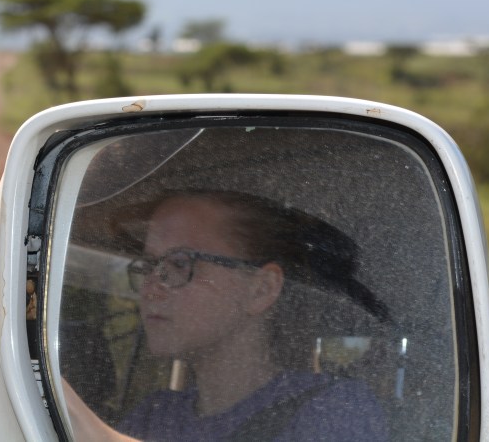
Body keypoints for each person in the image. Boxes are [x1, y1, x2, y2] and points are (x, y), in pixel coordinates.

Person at [64, 189, 389, 441]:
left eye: (179, 263)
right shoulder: (156, 415)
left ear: (261, 289)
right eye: (150, 266)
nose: (149, 289)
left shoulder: (330, 406)